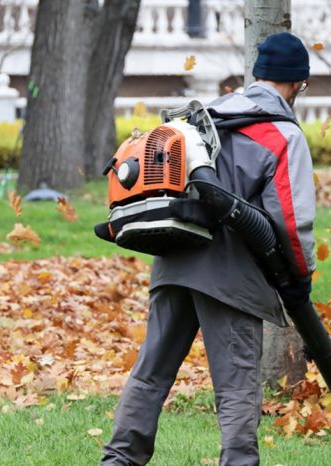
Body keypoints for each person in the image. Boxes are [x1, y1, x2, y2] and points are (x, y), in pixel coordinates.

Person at [101, 32, 316, 466]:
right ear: (297, 86)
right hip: (230, 276)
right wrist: (300, 279)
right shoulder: (282, 134)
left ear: (256, 75)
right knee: (236, 385)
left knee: (150, 373)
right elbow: (291, 223)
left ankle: (119, 460)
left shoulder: (203, 118)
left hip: (174, 259)